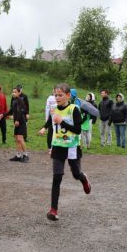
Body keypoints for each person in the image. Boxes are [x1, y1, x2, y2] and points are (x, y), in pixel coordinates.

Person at [39, 83, 91, 221]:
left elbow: (78, 130)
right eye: (55, 95)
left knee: (76, 174)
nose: (57, 97)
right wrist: (44, 128)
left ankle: (84, 179)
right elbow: (51, 120)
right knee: (57, 177)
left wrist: (62, 122)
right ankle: (53, 210)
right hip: (57, 146)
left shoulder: (74, 109)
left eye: (60, 95)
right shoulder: (54, 108)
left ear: (68, 96)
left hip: (72, 146)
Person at [1, 85, 28, 162]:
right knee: (17, 139)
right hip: (16, 123)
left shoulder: (20, 100)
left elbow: (21, 111)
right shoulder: (13, 101)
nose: (13, 93)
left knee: (20, 139)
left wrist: (17, 120)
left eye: (15, 92)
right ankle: (18, 155)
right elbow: (10, 111)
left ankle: (25, 155)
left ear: (19, 93)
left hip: (21, 122)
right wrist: (2, 115)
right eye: (13, 92)